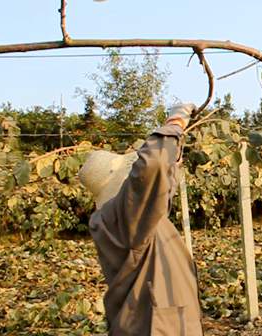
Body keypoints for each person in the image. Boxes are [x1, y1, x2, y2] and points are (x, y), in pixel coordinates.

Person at [79, 103, 203, 335]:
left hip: (144, 321)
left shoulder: (117, 219)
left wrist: (172, 164)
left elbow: (159, 196)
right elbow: (153, 163)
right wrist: (175, 122)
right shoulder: (124, 214)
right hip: (156, 327)